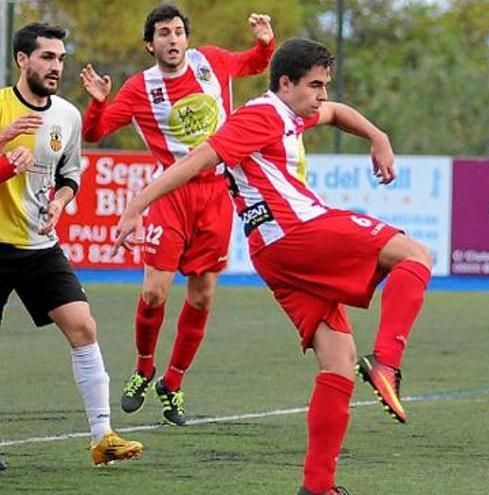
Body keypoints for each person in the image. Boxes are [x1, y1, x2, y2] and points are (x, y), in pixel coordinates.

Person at [113, 37, 432, 495]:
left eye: (325, 85)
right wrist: (136, 206)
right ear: (285, 83)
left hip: (274, 254)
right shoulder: (260, 116)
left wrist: (378, 137)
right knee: (416, 256)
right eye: (315, 86)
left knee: (338, 363)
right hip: (297, 230)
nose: (322, 95)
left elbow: (338, 112)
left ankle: (317, 487)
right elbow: (196, 160)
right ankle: (388, 362)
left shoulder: (288, 114)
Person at [79, 4, 275, 425]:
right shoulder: (139, 88)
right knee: (154, 292)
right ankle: (144, 368)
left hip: (217, 194)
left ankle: (174, 382)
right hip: (169, 195)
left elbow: (256, 63)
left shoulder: (212, 62)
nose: (173, 39)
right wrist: (97, 104)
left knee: (202, 294)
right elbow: (95, 133)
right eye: (163, 34)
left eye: (178, 31)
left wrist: (265, 41)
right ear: (151, 45)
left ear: (187, 38)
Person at [0, 22, 143, 467]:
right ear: (23, 60)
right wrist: (4, 148)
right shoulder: (0, 107)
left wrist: (62, 201)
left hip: (41, 245)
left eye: (60, 58)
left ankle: (103, 438)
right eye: (46, 57)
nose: (55, 66)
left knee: (83, 327)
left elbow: (70, 174)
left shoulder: (67, 115)